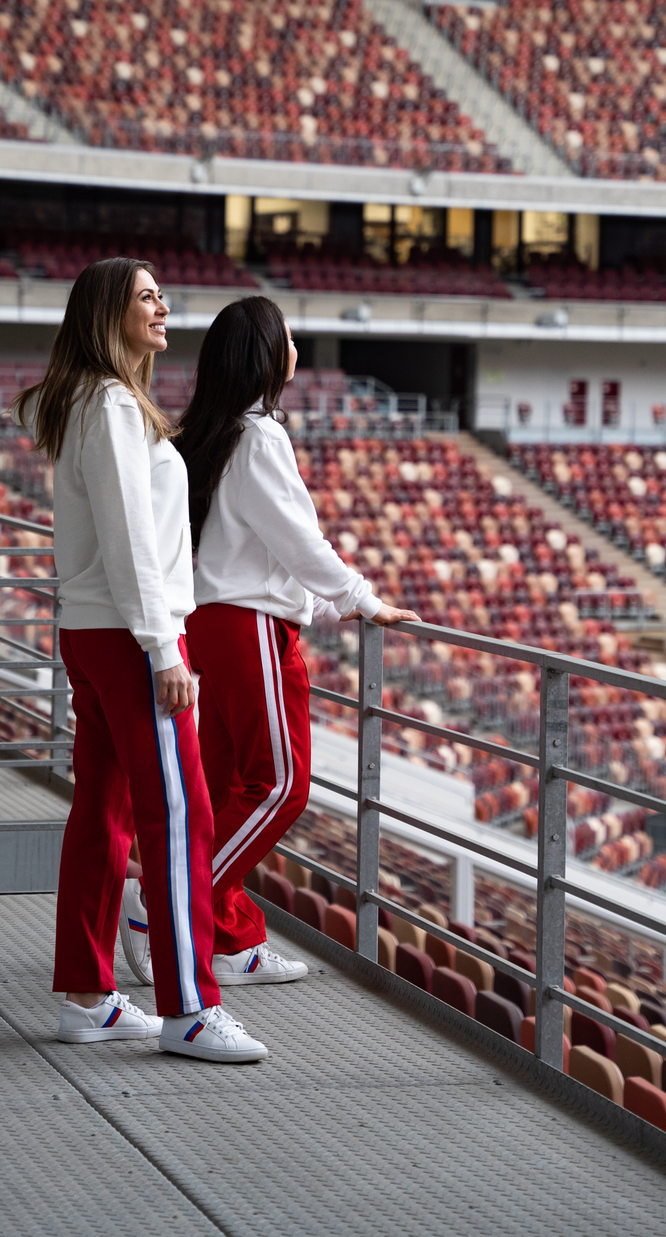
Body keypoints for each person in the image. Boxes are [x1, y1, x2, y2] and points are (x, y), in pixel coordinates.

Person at [120, 295, 417, 991]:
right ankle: (167, 906)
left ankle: (226, 935)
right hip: (245, 626)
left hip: (215, 622)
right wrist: (359, 597)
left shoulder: (215, 431)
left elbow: (251, 542)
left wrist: (319, 601)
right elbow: (295, 538)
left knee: (223, 785)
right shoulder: (259, 435)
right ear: (266, 351)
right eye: (287, 337)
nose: (295, 348)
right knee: (279, 782)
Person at [16, 257, 267, 1062]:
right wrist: (165, 647)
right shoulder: (113, 407)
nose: (164, 306)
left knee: (104, 808)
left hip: (95, 630)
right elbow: (130, 541)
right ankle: (189, 1005)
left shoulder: (92, 402)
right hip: (131, 636)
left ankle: (89, 995)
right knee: (182, 810)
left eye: (162, 292)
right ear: (108, 315)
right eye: (146, 296)